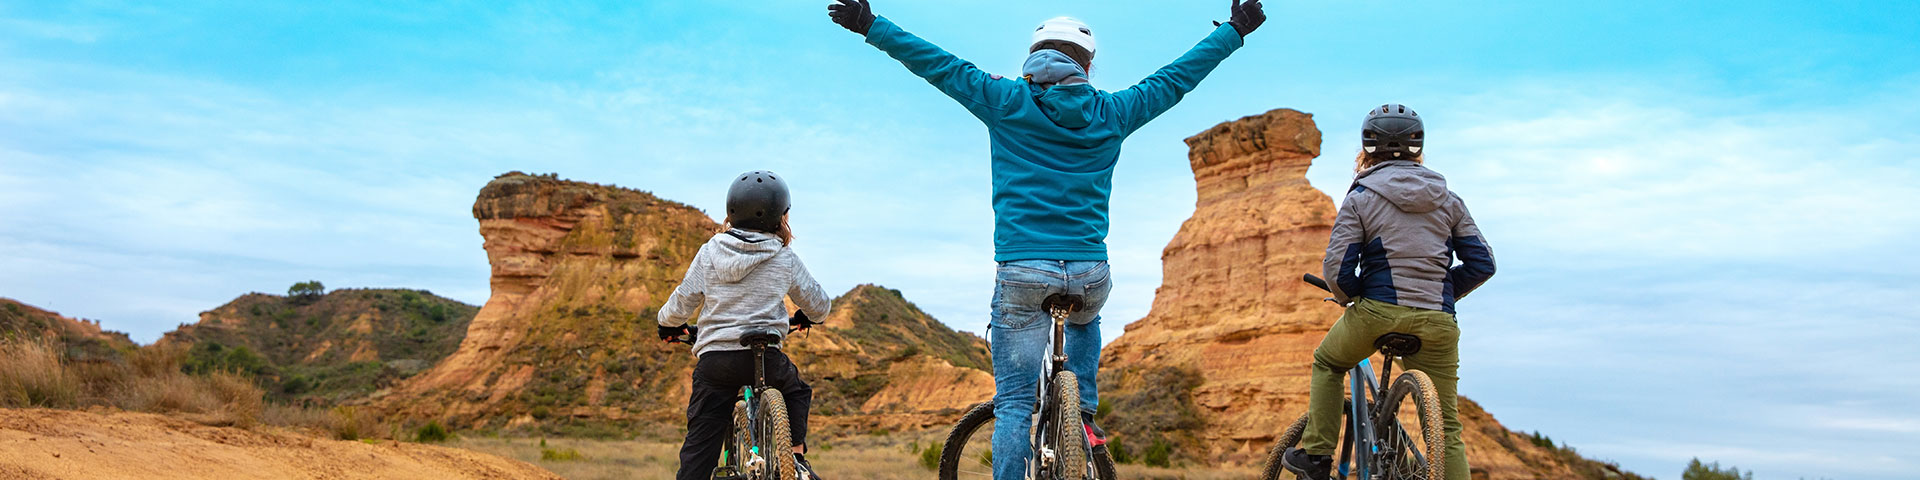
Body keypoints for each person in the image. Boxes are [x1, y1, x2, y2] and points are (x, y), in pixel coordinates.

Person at [826, 1, 1265, 478]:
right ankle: (1085, 413)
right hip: (1089, 273)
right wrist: (1235, 31)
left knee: (1014, 403)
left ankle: (1052, 433)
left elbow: (938, 64)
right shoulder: (1114, 112)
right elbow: (1175, 78)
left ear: (1032, 58)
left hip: (1022, 270)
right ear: (1088, 63)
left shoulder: (1004, 100)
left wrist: (869, 24)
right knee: (1084, 321)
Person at [1281, 105, 1496, 480]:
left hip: (1377, 312)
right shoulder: (1449, 200)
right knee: (1445, 427)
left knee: (1328, 363)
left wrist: (1350, 296)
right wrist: (1441, 293)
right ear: (1419, 148)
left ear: (1366, 150)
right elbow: (1483, 264)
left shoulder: (1361, 197)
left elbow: (1338, 269)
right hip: (1438, 320)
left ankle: (1316, 457)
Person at [658, 171, 833, 480]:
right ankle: (795, 461)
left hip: (716, 362)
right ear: (781, 216)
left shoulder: (709, 252)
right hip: (765, 357)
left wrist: (668, 324)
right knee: (795, 391)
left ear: (731, 212)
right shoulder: (784, 256)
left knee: (701, 438)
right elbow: (819, 305)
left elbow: (681, 302)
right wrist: (810, 317)